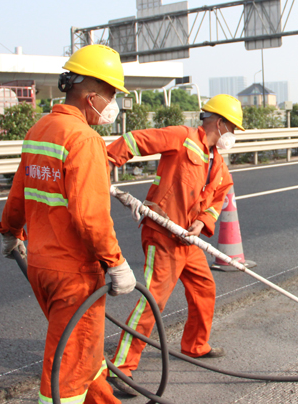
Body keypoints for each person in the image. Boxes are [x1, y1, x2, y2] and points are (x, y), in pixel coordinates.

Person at [0, 44, 137, 404]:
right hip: (74, 274)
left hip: (42, 267)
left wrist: (11, 232)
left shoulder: (40, 129)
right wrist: (116, 262)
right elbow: (90, 216)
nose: (114, 103)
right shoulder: (84, 139)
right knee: (70, 371)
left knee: (86, 355)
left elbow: (20, 192)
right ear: (91, 96)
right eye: (111, 94)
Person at [105, 94, 242, 396]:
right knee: (153, 301)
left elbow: (219, 196)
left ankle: (195, 345)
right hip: (163, 235)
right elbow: (136, 140)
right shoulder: (182, 137)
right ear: (220, 123)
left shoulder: (216, 162)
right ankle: (121, 367)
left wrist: (202, 222)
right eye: (233, 128)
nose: (233, 135)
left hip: (187, 240)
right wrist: (106, 162)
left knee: (204, 288)